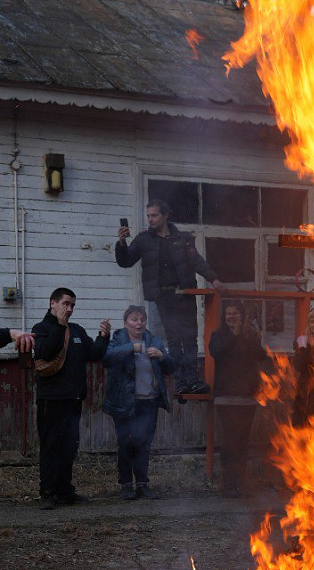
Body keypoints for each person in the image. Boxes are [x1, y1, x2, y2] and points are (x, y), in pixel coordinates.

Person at [114, 200, 225, 395]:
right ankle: (181, 382)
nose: (151, 219)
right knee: (174, 340)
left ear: (165, 216)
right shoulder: (143, 240)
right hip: (164, 297)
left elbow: (197, 262)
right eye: (148, 216)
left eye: (154, 215)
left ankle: (193, 380)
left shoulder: (182, 239)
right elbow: (125, 261)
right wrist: (122, 243)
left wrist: (214, 279)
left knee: (190, 339)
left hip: (185, 294)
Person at [32, 287, 110, 509]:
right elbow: (45, 352)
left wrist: (104, 337)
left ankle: (64, 491)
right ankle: (47, 493)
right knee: (50, 447)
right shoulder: (41, 328)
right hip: (51, 400)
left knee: (69, 447)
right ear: (52, 303)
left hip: (73, 400)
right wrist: (59, 325)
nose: (69, 309)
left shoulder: (76, 330)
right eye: (66, 304)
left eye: (72, 305)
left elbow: (94, 354)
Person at [103, 306, 175, 500]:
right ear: (126, 322)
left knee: (144, 444)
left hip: (149, 402)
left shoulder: (154, 341)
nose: (139, 323)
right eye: (134, 319)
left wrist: (162, 356)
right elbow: (107, 358)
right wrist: (131, 348)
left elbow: (171, 367)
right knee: (126, 443)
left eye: (142, 319)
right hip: (125, 402)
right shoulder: (118, 339)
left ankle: (142, 485)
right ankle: (126, 485)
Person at [209, 302, 272, 496]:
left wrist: (248, 336)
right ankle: (228, 485)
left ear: (241, 316)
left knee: (243, 443)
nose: (231, 316)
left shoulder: (250, 336)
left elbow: (261, 355)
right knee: (229, 444)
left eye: (235, 313)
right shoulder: (218, 336)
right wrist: (234, 335)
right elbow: (217, 353)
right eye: (228, 313)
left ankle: (241, 484)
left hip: (246, 398)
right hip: (226, 398)